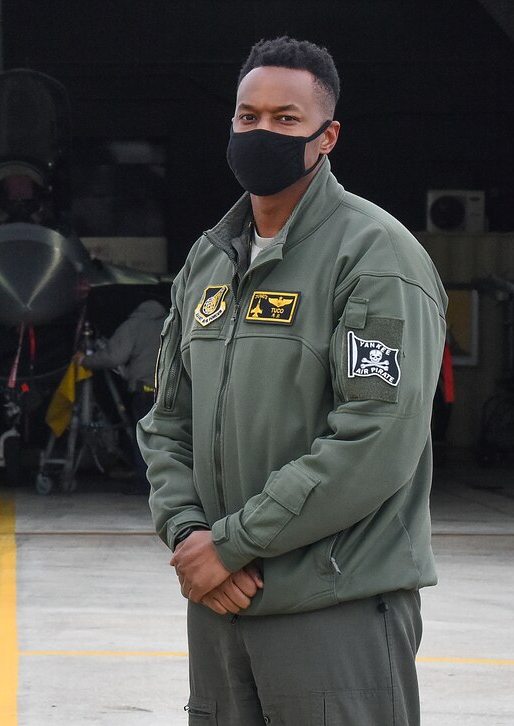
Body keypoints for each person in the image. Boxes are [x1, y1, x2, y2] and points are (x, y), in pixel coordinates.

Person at [138, 37, 446, 725]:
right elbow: (167, 419)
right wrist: (191, 536)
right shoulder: (210, 259)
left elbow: (376, 437)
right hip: (221, 604)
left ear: (326, 136)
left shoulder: (375, 256)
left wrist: (230, 544)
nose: (261, 132)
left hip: (329, 608)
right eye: (248, 117)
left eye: (285, 119)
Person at [74, 298, 166, 492]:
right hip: (169, 394)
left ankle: (144, 484)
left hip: (145, 393)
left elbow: (114, 357)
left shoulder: (133, 325)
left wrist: (85, 361)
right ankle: (168, 485)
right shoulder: (171, 322)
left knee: (143, 440)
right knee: (167, 440)